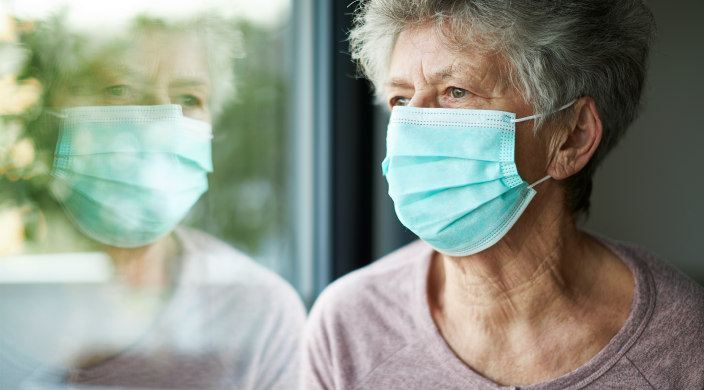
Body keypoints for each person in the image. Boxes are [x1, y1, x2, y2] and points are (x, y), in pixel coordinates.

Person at [302, 1, 704, 389]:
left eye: (456, 91)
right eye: (401, 99)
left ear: (572, 137)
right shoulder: (349, 327)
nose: (411, 127)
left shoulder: (685, 344)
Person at [0, 16, 305, 390]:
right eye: (120, 89)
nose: (164, 119)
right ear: (55, 115)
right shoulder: (10, 297)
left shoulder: (256, 310)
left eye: (189, 99)